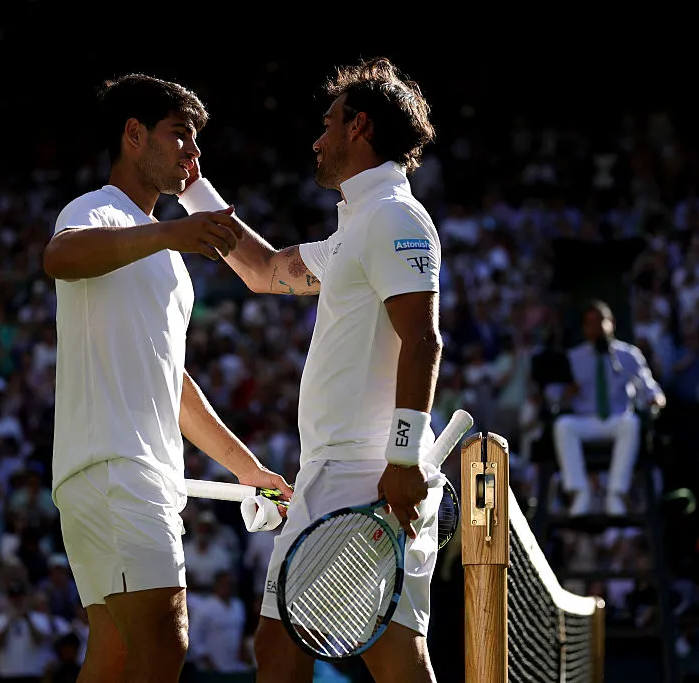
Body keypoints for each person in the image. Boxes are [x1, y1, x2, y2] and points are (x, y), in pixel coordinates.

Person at [179, 56, 443, 682]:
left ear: (361, 128)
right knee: (295, 651)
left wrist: (403, 462)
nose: (317, 138)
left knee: (375, 653)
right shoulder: (358, 222)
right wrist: (191, 188)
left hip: (369, 471)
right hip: (332, 470)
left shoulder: (396, 219)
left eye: (329, 122)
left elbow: (424, 342)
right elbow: (266, 271)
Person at [41, 73, 292, 683]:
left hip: (118, 473)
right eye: (180, 135)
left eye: (196, 141)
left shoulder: (173, 265)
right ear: (133, 135)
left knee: (117, 654)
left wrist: (246, 469)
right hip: (116, 469)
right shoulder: (96, 209)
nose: (192, 155)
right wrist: (168, 233)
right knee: (164, 637)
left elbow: (172, 384)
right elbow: (59, 257)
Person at [552, 300, 666, 516]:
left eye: (599, 322)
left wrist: (657, 401)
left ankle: (616, 494)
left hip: (617, 421)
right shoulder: (573, 357)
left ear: (611, 323)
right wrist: (567, 392)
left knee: (631, 423)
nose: (594, 328)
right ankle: (580, 491)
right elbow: (554, 397)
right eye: (589, 323)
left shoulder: (629, 355)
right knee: (563, 425)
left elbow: (650, 390)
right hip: (585, 421)